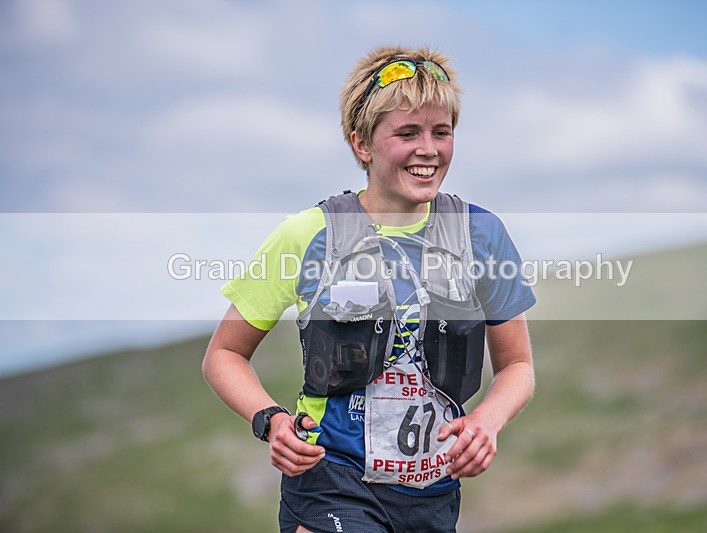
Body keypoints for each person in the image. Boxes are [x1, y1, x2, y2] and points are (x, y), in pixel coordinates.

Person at [202, 45, 536, 533]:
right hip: (330, 477)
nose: (429, 148)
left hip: (435, 492)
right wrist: (270, 419)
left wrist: (489, 419)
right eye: (407, 133)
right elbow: (224, 355)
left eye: (441, 132)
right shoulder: (308, 234)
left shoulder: (481, 234)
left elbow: (518, 366)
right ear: (362, 144)